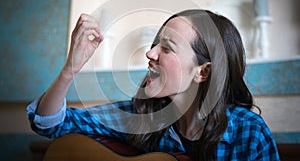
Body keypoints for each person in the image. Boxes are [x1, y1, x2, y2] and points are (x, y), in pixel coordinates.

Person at [27, 9, 280, 160]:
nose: (149, 53)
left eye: (167, 48)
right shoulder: (139, 117)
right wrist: (71, 68)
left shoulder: (249, 134)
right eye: (155, 43)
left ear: (202, 72)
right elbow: (50, 123)